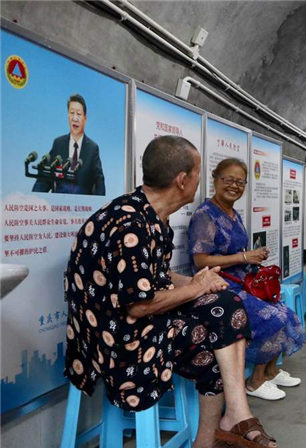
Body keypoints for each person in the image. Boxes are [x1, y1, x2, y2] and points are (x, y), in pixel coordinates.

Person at [64, 136, 277, 448]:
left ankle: (234, 416)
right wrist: (195, 288)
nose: (199, 181)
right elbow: (138, 306)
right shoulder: (131, 225)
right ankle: (216, 432)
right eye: (199, 174)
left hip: (132, 318)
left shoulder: (152, 217)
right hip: (112, 339)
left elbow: (155, 277)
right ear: (182, 180)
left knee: (227, 303)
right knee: (208, 336)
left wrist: (197, 282)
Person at [189, 158, 306, 401]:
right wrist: (243, 256)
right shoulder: (205, 215)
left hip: (242, 281)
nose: (234, 186)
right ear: (215, 180)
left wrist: (253, 257)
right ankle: (255, 381)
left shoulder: (234, 213)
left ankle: (271, 371)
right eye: (228, 180)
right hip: (218, 285)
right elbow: (200, 260)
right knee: (271, 318)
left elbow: (237, 253)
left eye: (240, 182)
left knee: (285, 312)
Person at [32, 94, 105, 195]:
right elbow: (45, 179)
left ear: (85, 118)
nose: (75, 118)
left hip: (83, 207)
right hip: (59, 206)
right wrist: (35, 198)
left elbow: (99, 183)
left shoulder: (92, 148)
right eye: (72, 113)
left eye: (79, 114)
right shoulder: (58, 143)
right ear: (68, 115)